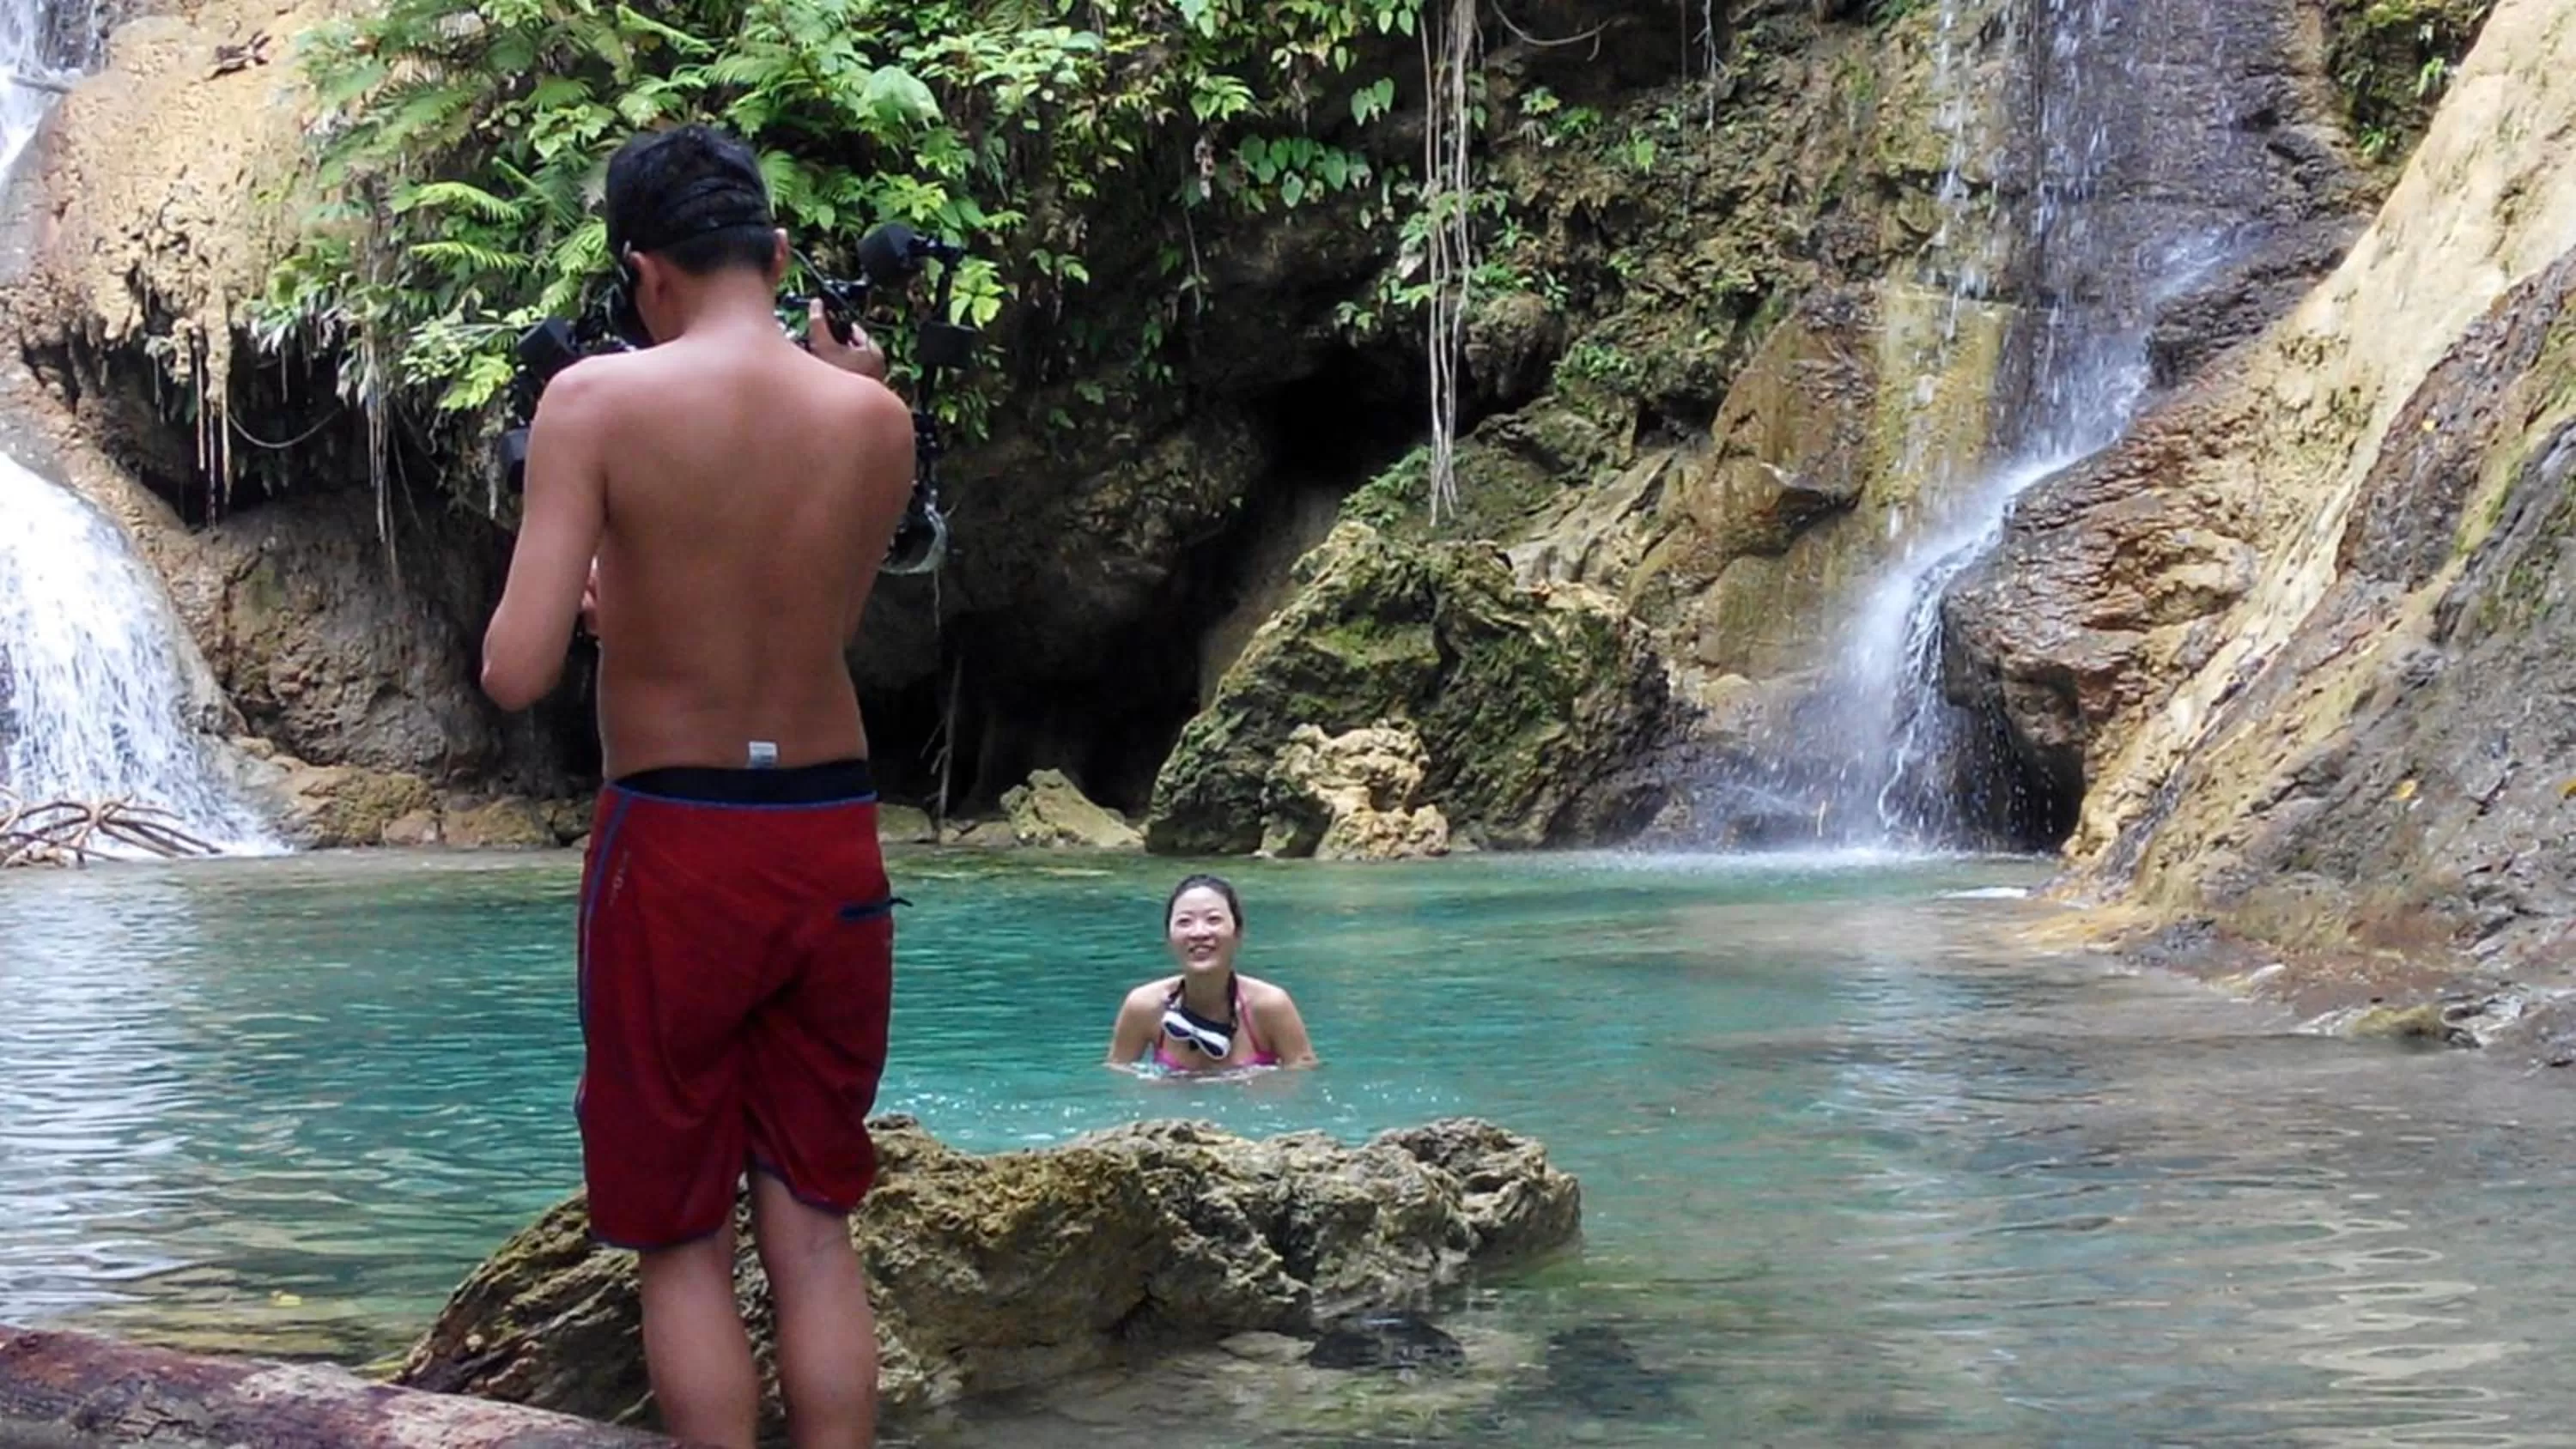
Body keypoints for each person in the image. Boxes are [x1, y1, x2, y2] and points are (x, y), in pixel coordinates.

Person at [478, 123, 914, 1449]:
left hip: (679, 842)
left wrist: (598, 580)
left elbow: (514, 670)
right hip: (834, 841)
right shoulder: (875, 416)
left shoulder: (597, 403)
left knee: (680, 1237)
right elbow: (806, 597)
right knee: (813, 1223)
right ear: (779, 257)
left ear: (643, 273)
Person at [1106, 874, 1319, 1073]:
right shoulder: (1144, 1006)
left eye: (1213, 919)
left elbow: (1303, 1083)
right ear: (1169, 938)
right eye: (1184, 922)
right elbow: (1118, 1082)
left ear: (1238, 932)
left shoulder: (1270, 1006)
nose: (1199, 933)